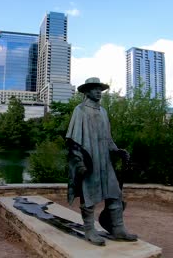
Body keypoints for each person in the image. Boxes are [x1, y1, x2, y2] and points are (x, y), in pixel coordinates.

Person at [66, 77, 137, 246]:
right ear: (87, 91)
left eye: (100, 89)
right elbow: (74, 140)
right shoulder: (80, 110)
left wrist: (117, 150)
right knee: (88, 195)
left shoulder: (103, 111)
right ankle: (89, 230)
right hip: (90, 161)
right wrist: (80, 163)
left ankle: (118, 228)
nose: (99, 92)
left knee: (115, 195)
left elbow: (107, 138)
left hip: (105, 161)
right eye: (95, 89)